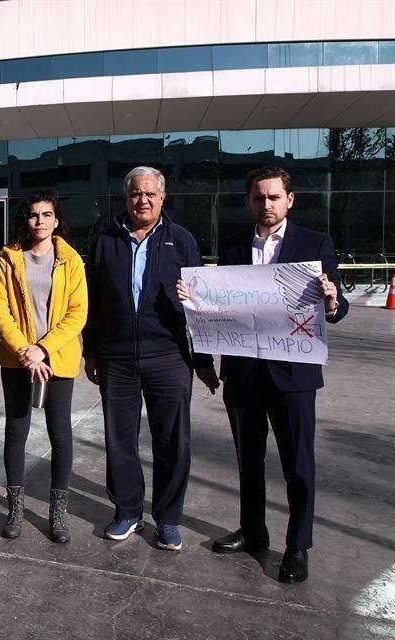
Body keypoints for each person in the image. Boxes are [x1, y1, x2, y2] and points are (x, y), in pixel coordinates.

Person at [177, 166, 348, 583]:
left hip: (294, 375)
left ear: (289, 200)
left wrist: (331, 300)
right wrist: (194, 300)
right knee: (248, 461)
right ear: (248, 202)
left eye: (273, 197)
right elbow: (224, 306)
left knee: (298, 464)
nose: (266, 205)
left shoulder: (315, 244)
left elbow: (339, 309)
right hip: (245, 375)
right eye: (258, 198)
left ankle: (298, 545)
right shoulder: (234, 246)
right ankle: (254, 531)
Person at [83, 166, 218, 551]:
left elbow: (201, 303)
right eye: (135, 194)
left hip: (169, 355)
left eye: (150, 194)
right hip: (117, 357)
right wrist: (90, 350)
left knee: (172, 440)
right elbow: (92, 300)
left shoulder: (182, 240)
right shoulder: (105, 239)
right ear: (126, 198)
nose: (142, 200)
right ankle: (127, 511)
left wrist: (202, 359)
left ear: (163, 198)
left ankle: (168, 519)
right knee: (119, 439)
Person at [0, 192, 88, 543]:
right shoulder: (9, 257)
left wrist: (43, 349)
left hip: (57, 359)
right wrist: (24, 350)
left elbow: (77, 313)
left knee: (60, 434)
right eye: (34, 215)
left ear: (57, 220)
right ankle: (14, 509)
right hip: (17, 361)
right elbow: (0, 309)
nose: (40, 221)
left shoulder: (71, 260)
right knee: (16, 432)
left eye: (47, 215)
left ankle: (57, 514)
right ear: (26, 219)